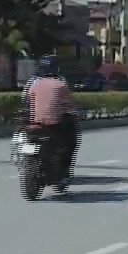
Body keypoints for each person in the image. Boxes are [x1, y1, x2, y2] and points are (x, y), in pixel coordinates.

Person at [21, 55, 79, 188]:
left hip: (34, 123)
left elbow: (27, 101)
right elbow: (68, 105)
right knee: (70, 143)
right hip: (54, 125)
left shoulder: (34, 84)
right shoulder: (60, 84)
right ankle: (63, 173)